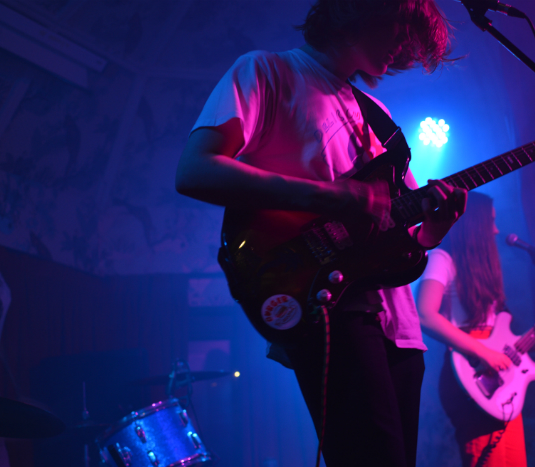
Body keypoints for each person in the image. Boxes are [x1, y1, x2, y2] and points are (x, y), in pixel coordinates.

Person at [175, 1, 467, 466]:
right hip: (329, 304)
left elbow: (394, 227)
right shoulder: (267, 72)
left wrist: (429, 233)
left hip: (401, 327)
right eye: (400, 25)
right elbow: (194, 170)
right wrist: (331, 197)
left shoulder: (380, 116)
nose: (404, 43)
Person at [416, 192, 535, 467]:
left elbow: (500, 338)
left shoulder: (484, 270)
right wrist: (483, 351)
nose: (496, 230)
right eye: (490, 222)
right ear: (474, 225)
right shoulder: (441, 259)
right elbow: (425, 314)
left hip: (500, 377)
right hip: (471, 373)